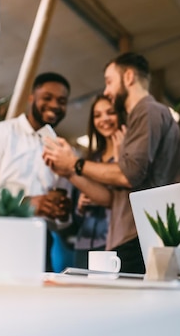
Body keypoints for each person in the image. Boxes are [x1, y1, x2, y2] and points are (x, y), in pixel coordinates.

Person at [43, 52, 180, 273]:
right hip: (126, 235)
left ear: (128, 77)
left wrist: (75, 164)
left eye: (109, 81)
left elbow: (128, 175)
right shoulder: (142, 115)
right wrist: (69, 171)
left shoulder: (147, 111)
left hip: (142, 235)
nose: (107, 90)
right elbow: (112, 198)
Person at [0, 72, 73, 271]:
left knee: (38, 302)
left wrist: (62, 214)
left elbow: (59, 224)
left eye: (62, 101)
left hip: (40, 245)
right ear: (32, 97)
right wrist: (24, 202)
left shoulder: (63, 150)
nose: (55, 105)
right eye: (47, 97)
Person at [73, 94, 124, 268]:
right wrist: (80, 206)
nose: (104, 119)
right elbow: (75, 218)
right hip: (83, 245)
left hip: (112, 244)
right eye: (97, 115)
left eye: (110, 112)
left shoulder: (129, 158)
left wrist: (120, 156)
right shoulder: (89, 160)